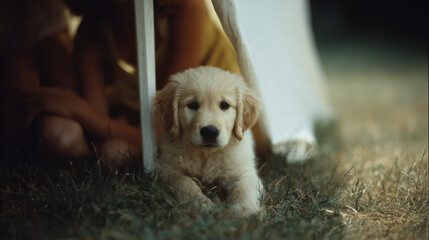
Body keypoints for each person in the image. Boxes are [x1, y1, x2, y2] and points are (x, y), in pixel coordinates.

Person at [1, 0, 240, 169]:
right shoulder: (92, 31)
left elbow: (169, 130)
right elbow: (98, 135)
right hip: (146, 120)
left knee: (116, 150)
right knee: (112, 151)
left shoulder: (185, 8)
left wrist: (75, 107)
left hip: (213, 119)